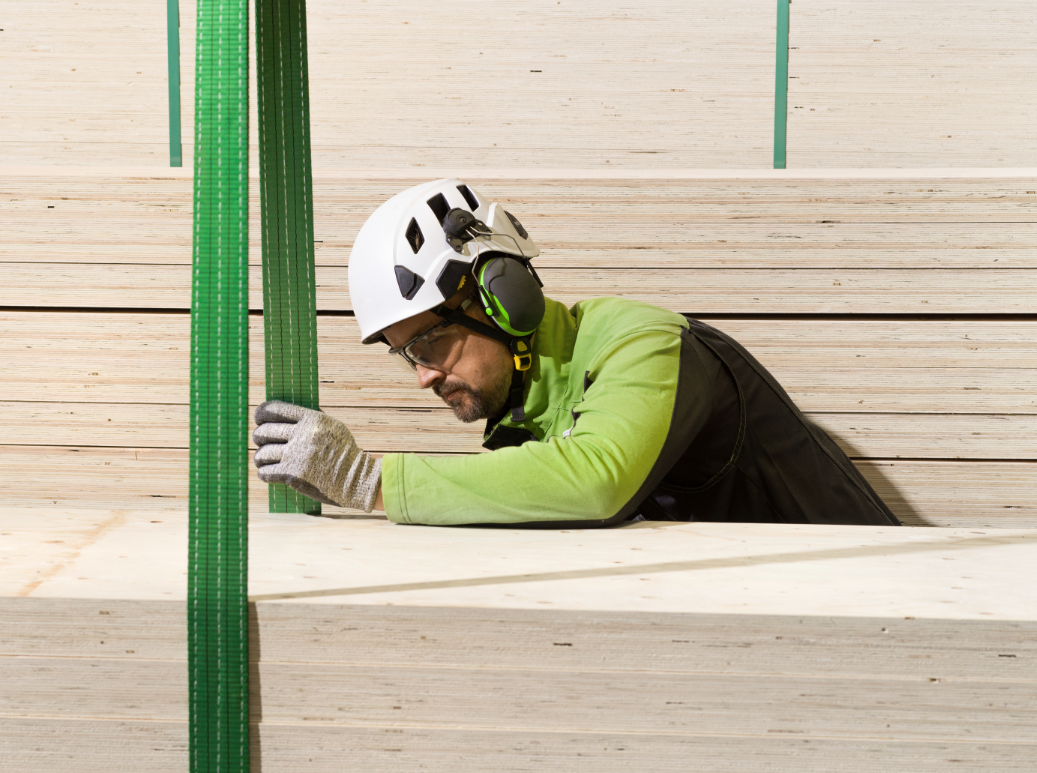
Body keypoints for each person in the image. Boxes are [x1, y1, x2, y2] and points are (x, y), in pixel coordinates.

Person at [254, 179, 899, 528]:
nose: (423, 376)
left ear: (502, 296)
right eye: (406, 355)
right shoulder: (521, 421)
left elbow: (596, 482)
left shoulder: (645, 344)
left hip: (873, 605)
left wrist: (369, 482)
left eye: (430, 341)